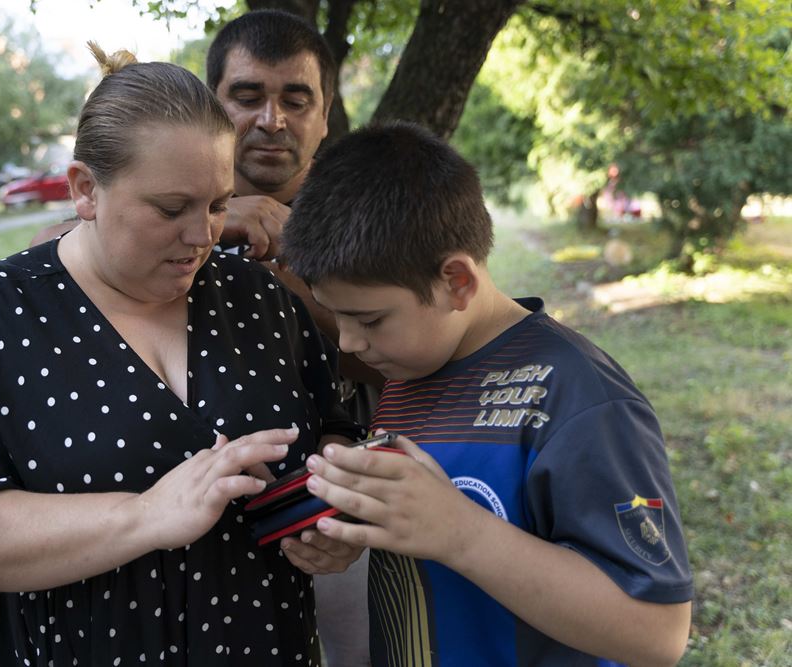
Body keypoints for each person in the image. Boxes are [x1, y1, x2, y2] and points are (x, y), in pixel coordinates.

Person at [0, 43, 365, 666]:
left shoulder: (258, 297)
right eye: (171, 209)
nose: (202, 237)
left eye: (218, 205)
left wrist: (333, 517)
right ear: (85, 190)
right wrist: (145, 516)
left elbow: (331, 430)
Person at [30, 12, 379, 665]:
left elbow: (409, 353)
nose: (271, 119)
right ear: (211, 102)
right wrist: (219, 229)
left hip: (327, 510)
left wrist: (287, 269)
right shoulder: (123, 203)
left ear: (325, 115)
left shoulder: (369, 212)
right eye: (248, 97)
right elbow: (54, 275)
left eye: (295, 99)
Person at [280, 122, 694, 666]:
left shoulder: (578, 398)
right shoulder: (407, 374)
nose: (350, 342)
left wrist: (461, 534)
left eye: (370, 318)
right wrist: (360, 531)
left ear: (457, 281)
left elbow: (657, 632)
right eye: (336, 315)